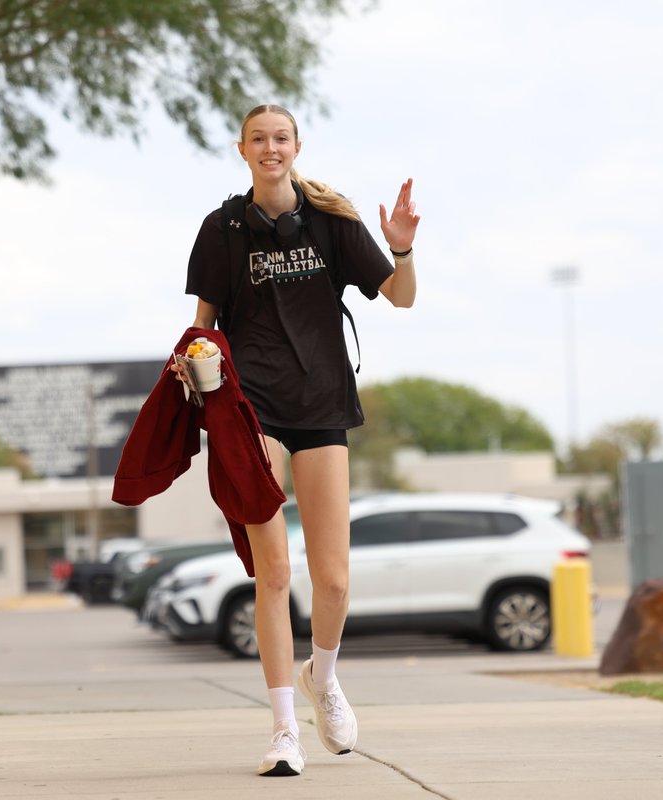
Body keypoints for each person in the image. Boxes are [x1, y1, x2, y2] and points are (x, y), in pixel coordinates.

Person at [174, 103, 419, 777]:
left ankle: (323, 677)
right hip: (252, 410)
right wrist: (193, 365)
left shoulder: (331, 221)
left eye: (280, 138)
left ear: (296, 146)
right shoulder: (221, 229)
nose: (270, 148)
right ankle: (284, 730)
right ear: (242, 150)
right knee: (275, 573)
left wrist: (400, 247)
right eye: (258, 139)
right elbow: (203, 325)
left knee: (334, 580)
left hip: (321, 406)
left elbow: (400, 297)